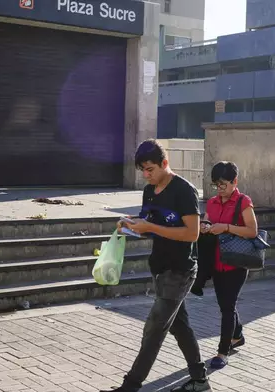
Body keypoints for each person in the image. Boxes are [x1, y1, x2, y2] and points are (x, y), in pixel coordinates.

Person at [101, 139, 210, 392]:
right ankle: (200, 380)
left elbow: (192, 234)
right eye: (142, 170)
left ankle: (130, 386)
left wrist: (149, 227)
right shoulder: (149, 190)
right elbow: (149, 225)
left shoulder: (184, 191)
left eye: (150, 169)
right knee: (179, 326)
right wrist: (130, 224)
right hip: (159, 268)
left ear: (165, 163)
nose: (146, 175)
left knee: (154, 328)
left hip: (180, 270)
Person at [201, 161, 257, 369]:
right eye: (216, 185)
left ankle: (222, 352)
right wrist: (204, 226)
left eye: (223, 184)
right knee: (225, 303)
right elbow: (207, 221)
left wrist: (225, 227)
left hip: (236, 262)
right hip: (216, 261)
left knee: (227, 306)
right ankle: (237, 335)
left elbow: (252, 231)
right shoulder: (213, 203)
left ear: (235, 182)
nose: (219, 189)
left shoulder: (243, 201)